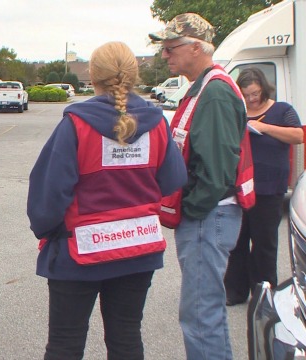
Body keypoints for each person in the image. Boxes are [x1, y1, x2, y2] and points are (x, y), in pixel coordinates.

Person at [27, 41, 187, 360]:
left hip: (80, 250)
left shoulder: (76, 124)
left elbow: (48, 193)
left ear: (92, 76)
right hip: (137, 248)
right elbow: (173, 179)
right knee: (126, 339)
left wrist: (47, 230)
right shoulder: (156, 123)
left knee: (65, 344)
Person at [150, 13, 249, 359]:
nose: (165, 55)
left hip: (208, 217)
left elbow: (217, 170)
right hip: (208, 216)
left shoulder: (215, 93)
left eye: (171, 47)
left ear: (196, 47)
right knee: (203, 311)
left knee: (200, 314)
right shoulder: (205, 87)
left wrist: (189, 211)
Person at [224, 68, 303, 305]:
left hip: (270, 187)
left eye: (255, 94)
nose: (251, 99)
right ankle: (235, 291)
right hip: (240, 186)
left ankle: (265, 292)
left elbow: (298, 135)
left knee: (264, 242)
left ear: (263, 88)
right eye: (246, 94)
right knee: (237, 241)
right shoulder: (237, 111)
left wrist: (266, 128)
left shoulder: (282, 110)